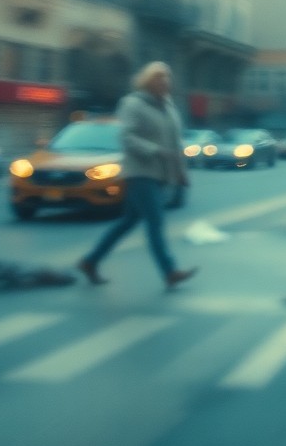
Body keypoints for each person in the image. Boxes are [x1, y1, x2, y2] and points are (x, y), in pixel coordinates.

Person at [76, 61, 197, 290]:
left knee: (128, 221)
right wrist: (154, 150)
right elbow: (126, 137)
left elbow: (175, 142)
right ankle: (170, 271)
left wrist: (181, 171)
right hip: (140, 172)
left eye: (167, 77)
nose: (165, 82)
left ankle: (90, 261)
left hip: (161, 174)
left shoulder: (169, 107)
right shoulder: (133, 104)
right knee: (155, 221)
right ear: (148, 81)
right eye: (159, 77)